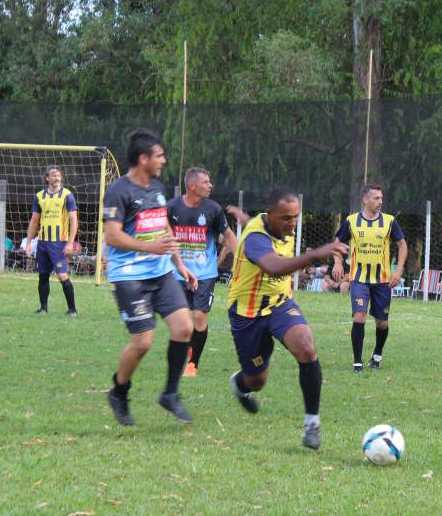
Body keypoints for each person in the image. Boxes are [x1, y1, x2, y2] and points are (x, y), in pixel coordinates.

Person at [227, 187, 348, 449]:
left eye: (296, 217)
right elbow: (272, 265)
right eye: (286, 218)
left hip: (280, 304)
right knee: (256, 380)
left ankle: (311, 424)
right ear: (270, 214)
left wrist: (243, 218)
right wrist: (315, 254)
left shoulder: (275, 225)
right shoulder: (256, 239)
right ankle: (240, 385)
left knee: (307, 347)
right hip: (248, 313)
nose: (292, 223)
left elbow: (260, 227)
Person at [103, 128, 199, 427]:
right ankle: (119, 391)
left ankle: (170, 394)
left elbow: (164, 227)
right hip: (129, 276)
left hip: (162, 272)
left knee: (184, 327)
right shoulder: (119, 191)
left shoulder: (156, 188)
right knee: (143, 342)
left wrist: (179, 263)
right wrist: (149, 247)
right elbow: (112, 235)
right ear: (143, 159)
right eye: (159, 156)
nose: (164, 160)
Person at [168, 167, 238, 377]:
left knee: (199, 316)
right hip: (177, 273)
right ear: (192, 186)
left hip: (205, 274)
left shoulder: (213, 209)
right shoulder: (172, 208)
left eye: (210, 182)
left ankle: (193, 364)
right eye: (206, 182)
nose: (210, 185)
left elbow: (229, 236)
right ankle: (189, 345)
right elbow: (168, 239)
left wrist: (242, 264)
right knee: (182, 320)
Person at [331, 185, 408, 372]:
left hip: (382, 281)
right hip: (359, 279)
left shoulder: (389, 222)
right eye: (376, 198)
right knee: (359, 316)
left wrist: (398, 271)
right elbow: (337, 243)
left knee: (381, 322)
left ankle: (377, 355)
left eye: (381, 198)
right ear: (365, 200)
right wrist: (338, 262)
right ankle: (357, 363)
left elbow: (402, 245)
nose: (380, 201)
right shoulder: (352, 221)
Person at [25, 166, 79, 315]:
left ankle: (72, 309)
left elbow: (74, 220)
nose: (57, 178)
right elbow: (34, 221)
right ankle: (43, 308)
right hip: (43, 242)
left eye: (59, 175)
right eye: (53, 175)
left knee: (62, 275)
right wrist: (29, 243)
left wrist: (70, 243)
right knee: (43, 275)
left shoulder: (67, 196)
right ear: (47, 178)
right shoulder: (39, 196)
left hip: (59, 243)